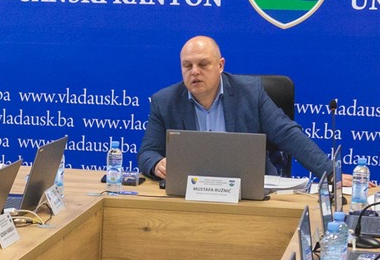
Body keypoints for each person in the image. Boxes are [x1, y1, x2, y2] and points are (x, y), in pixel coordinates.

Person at [137, 36, 334, 184]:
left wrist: (330, 172)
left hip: (247, 193)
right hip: (191, 193)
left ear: (220, 65)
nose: (194, 71)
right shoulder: (165, 101)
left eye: (203, 64)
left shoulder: (250, 93)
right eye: (187, 66)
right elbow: (147, 152)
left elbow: (287, 134)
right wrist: (157, 164)